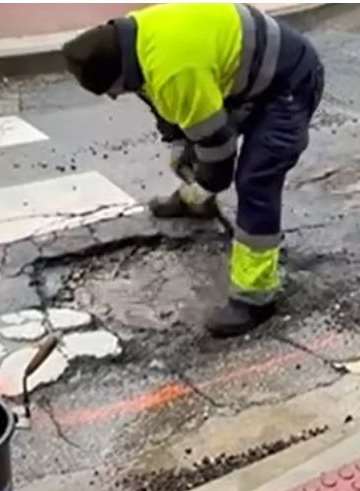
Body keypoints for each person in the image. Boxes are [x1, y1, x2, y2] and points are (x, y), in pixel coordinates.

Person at [61, 3, 323, 338]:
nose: (114, 98)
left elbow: (218, 149)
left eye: (112, 90)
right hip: (244, 78)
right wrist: (177, 145)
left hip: (288, 85)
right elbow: (158, 98)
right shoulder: (135, 41)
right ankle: (196, 203)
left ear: (118, 75)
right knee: (200, 139)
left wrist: (207, 179)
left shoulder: (174, 71)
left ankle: (256, 297)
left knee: (256, 180)